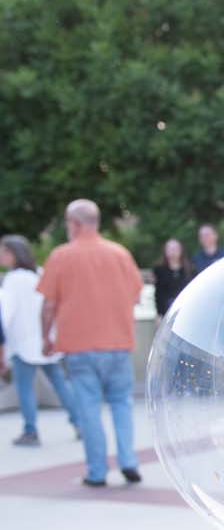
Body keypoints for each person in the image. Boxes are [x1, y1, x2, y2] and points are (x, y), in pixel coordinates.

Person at [37, 200, 145, 487]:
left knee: (89, 409)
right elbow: (136, 295)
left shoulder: (61, 256)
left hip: (79, 346)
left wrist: (46, 337)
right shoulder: (119, 254)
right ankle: (128, 461)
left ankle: (97, 471)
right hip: (118, 343)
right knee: (121, 404)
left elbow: (48, 305)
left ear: (74, 224)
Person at [0, 234, 81, 446]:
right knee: (61, 384)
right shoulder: (40, 274)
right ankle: (79, 423)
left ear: (13, 254)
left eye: (4, 251)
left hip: (23, 344)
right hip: (46, 342)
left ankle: (30, 430)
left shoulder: (13, 280)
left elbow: (5, 315)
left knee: (25, 388)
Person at [153, 237, 191, 317]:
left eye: (175, 249)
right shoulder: (159, 270)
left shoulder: (190, 269)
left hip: (186, 310)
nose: (173, 252)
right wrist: (159, 314)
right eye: (170, 249)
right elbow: (158, 294)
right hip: (166, 311)